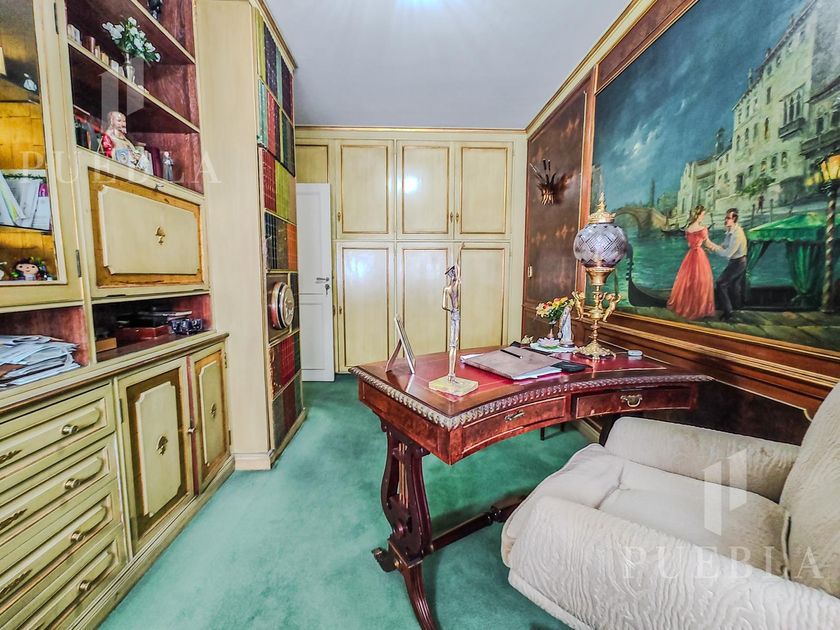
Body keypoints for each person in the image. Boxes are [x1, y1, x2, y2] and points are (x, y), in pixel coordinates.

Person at [666, 205, 715, 320]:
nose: (703, 217)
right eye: (702, 215)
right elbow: (708, 243)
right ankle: (699, 308)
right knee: (702, 281)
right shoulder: (703, 229)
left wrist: (697, 244)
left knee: (688, 280)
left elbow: (690, 244)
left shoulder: (688, 229)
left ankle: (688, 306)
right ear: (698, 215)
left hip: (690, 255)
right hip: (699, 256)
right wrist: (718, 248)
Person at [706, 208, 748, 320]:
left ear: (734, 219)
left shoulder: (737, 234)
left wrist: (712, 247)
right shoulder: (731, 231)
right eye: (725, 217)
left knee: (721, 284)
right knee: (734, 286)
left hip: (738, 263)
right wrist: (712, 246)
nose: (725, 220)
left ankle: (729, 312)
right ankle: (736, 311)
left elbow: (727, 253)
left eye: (728, 218)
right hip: (738, 262)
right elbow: (724, 245)